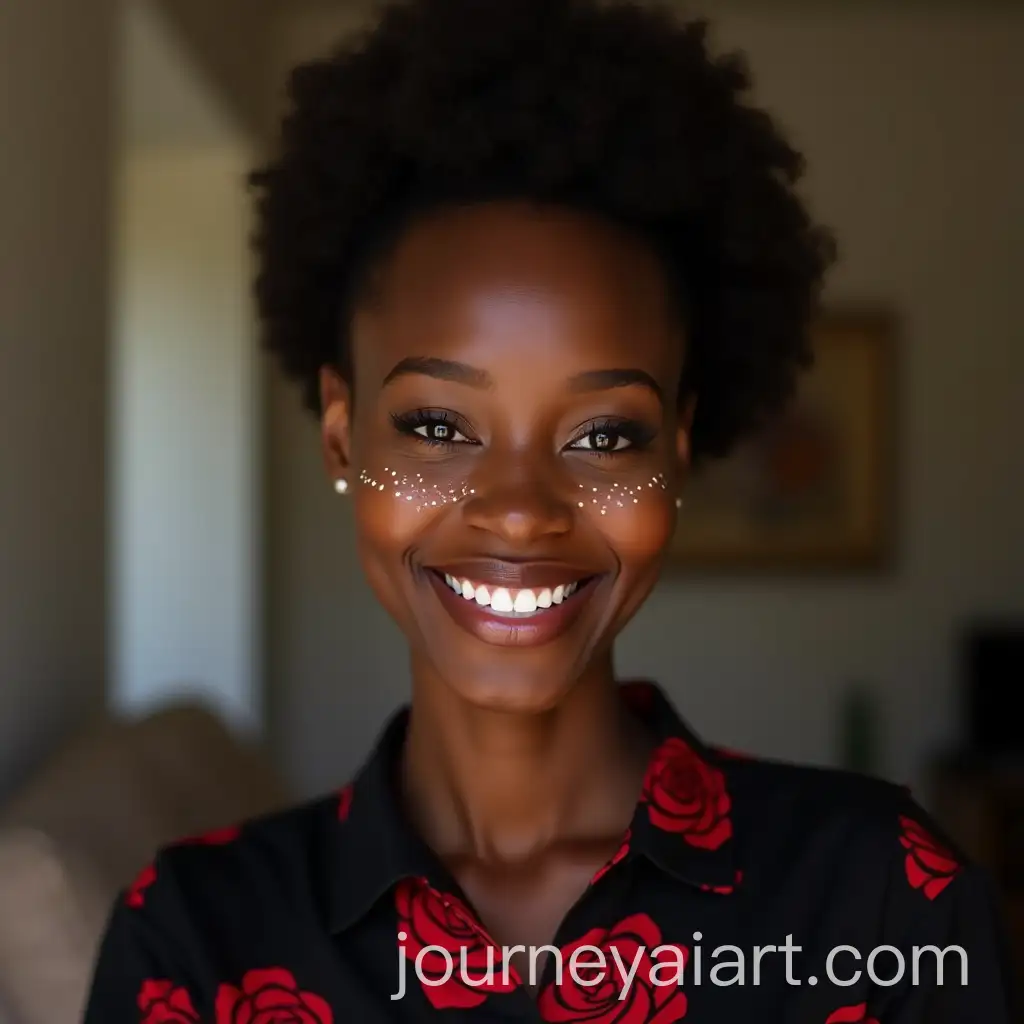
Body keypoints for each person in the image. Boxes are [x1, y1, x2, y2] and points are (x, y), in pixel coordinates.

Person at [83, 0, 1015, 1020]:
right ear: (343, 440)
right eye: (439, 424)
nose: (520, 510)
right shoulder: (194, 942)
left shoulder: (882, 900)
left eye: (605, 435)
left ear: (677, 453)